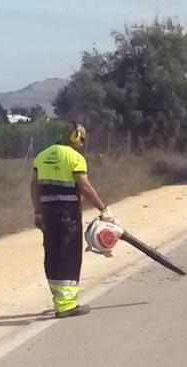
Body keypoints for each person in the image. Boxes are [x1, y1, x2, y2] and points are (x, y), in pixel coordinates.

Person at [31, 122, 115, 318]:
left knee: (52, 256)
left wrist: (37, 213)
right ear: (76, 137)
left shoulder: (42, 156)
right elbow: (85, 187)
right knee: (69, 257)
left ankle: (59, 301)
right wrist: (103, 209)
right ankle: (66, 305)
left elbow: (34, 187)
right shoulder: (75, 158)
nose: (82, 145)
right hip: (68, 216)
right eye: (82, 140)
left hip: (48, 216)